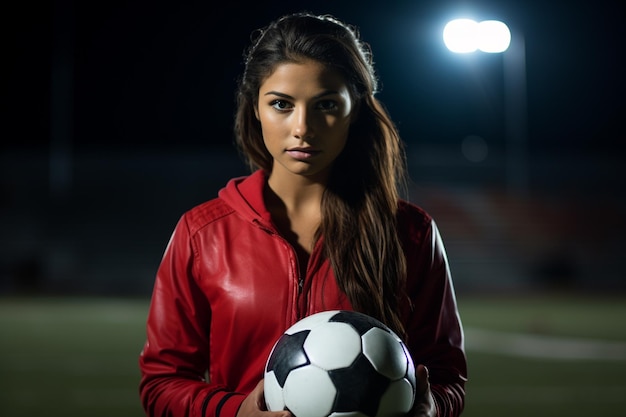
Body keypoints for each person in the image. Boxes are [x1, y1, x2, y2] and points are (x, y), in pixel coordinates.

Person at [139, 11, 467, 417]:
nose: (303, 127)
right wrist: (234, 412)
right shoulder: (202, 233)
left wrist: (431, 407)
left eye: (326, 104)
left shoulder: (411, 233)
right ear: (255, 108)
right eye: (281, 104)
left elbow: (447, 374)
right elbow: (161, 382)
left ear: (356, 110)